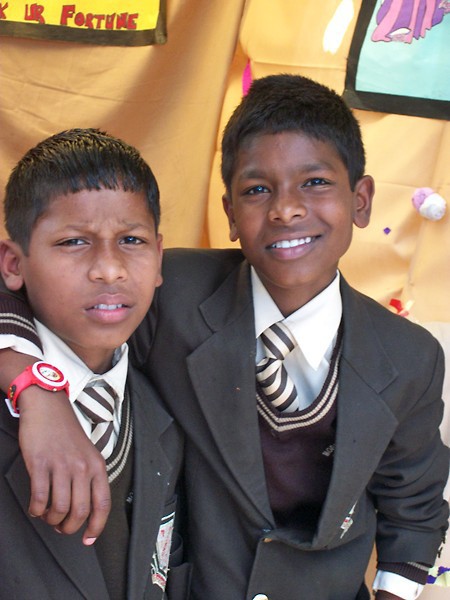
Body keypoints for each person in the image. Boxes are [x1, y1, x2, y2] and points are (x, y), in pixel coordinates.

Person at [0, 76, 448, 599]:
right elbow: (27, 282)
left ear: (362, 200)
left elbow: (414, 512)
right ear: (230, 214)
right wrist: (38, 390)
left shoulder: (410, 357)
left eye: (315, 182)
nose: (286, 210)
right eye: (257, 190)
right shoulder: (166, 292)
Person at [0, 129, 190, 599]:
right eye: (73, 242)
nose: (109, 268)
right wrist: (36, 387)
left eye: (131, 239)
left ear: (159, 257)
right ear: (13, 264)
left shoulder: (163, 416)